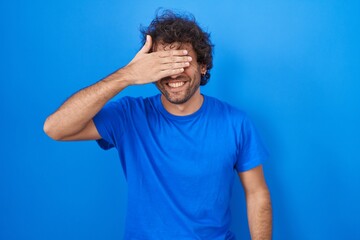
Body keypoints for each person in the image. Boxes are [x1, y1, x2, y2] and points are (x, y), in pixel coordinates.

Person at [44, 10, 272, 240]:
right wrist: (126, 75)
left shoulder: (235, 122)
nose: (174, 73)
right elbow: (55, 128)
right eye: (163, 64)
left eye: (182, 61)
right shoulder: (128, 115)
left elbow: (257, 192)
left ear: (203, 66)